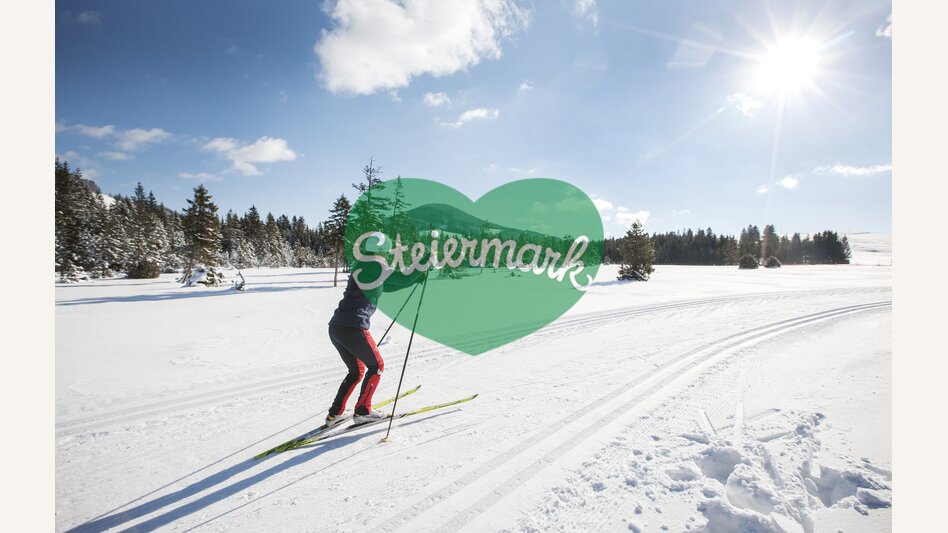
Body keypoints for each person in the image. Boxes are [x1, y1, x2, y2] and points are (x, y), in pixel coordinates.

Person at [325, 233, 423, 426]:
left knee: (356, 371)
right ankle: (363, 412)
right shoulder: (377, 265)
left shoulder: (364, 264)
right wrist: (424, 264)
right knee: (376, 366)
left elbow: (387, 285)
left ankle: (334, 414)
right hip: (354, 327)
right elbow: (403, 278)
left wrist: (415, 278)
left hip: (337, 327)